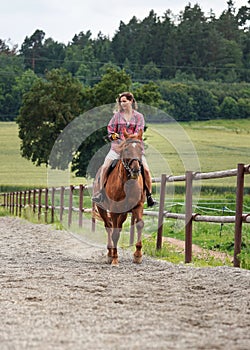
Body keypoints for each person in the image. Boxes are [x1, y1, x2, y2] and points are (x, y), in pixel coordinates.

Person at [92, 91, 156, 207]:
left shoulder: (139, 117)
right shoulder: (116, 116)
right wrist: (115, 138)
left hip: (134, 149)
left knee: (146, 169)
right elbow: (111, 130)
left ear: (131, 101)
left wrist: (129, 141)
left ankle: (149, 196)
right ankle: (101, 193)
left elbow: (139, 132)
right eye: (121, 102)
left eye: (124, 101)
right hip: (117, 148)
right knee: (105, 167)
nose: (122, 104)